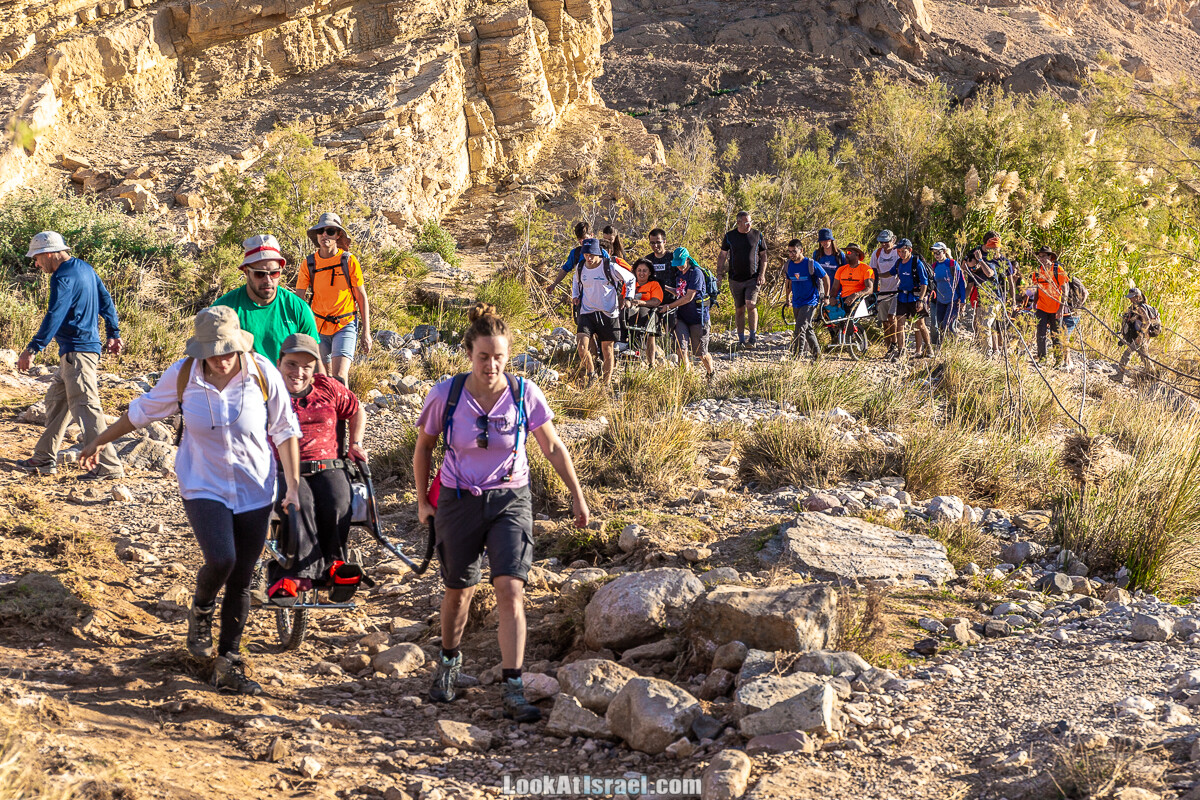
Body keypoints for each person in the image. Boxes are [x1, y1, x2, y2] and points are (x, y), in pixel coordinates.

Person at [79, 307, 302, 695]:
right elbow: (143, 412)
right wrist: (99, 440)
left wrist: (294, 486)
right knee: (222, 559)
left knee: (242, 578)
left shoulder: (262, 372)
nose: (221, 357)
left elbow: (284, 428)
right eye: (212, 351)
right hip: (203, 483)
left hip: (255, 487)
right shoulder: (184, 374)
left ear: (239, 344)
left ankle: (228, 660)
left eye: (227, 349)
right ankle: (200, 610)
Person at [413, 303, 589, 722]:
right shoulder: (446, 394)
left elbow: (553, 447)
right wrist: (423, 501)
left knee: (511, 589)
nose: (491, 365)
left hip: (511, 499)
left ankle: (513, 685)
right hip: (458, 501)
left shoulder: (525, 393)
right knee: (459, 590)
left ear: (508, 356)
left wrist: (578, 498)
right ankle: (449, 665)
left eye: (499, 357)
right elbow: (423, 448)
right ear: (469, 354)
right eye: (483, 357)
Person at [265, 333, 368, 603]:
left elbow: (357, 410)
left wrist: (356, 443)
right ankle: (294, 574)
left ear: (314, 368)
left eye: (306, 366)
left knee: (337, 499)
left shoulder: (328, 388)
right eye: (291, 364)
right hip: (282, 467)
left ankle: (334, 566)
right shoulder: (266, 392)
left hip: (327, 464)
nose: (298, 372)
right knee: (300, 502)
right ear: (279, 362)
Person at [16, 231, 125, 479]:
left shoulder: (62, 277)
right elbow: (106, 300)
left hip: (78, 353)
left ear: (50, 253)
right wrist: (113, 332)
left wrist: (33, 348)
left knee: (87, 409)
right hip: (76, 352)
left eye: (37, 258)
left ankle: (109, 467)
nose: (35, 263)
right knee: (56, 402)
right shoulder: (85, 268)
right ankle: (43, 459)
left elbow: (55, 313)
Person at [215, 234, 319, 363]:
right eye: (260, 274)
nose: (268, 280)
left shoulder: (298, 308)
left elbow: (313, 358)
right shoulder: (223, 309)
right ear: (246, 272)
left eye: (274, 273)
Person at [295, 213, 372, 385]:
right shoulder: (309, 263)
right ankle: (329, 412)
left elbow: (361, 297)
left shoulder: (348, 261)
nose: (324, 235)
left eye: (330, 231)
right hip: (318, 326)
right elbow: (298, 299)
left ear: (338, 235)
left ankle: (344, 411)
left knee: (339, 376)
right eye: (321, 231)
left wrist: (366, 332)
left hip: (345, 324)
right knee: (322, 379)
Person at [571, 239, 635, 388]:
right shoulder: (580, 267)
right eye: (586, 254)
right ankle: (591, 373)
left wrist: (628, 298)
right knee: (582, 347)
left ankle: (605, 384)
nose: (589, 258)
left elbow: (631, 279)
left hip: (608, 313)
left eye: (592, 254)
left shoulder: (609, 267)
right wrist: (575, 295)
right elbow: (576, 282)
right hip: (587, 312)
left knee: (607, 350)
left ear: (599, 253)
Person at [716, 211, 768, 347]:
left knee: (750, 304)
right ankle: (740, 340)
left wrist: (762, 274)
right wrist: (719, 274)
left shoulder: (757, 235)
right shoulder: (730, 236)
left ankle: (752, 337)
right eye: (746, 222)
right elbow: (722, 255)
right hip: (735, 278)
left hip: (753, 278)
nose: (749, 225)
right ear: (738, 223)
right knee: (739, 308)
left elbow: (764, 256)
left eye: (750, 222)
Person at [662, 247, 714, 379]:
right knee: (681, 348)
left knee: (700, 353)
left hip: (698, 317)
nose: (678, 266)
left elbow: (688, 297)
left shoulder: (696, 273)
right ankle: (684, 377)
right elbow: (680, 292)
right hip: (682, 317)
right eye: (676, 263)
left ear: (687, 259)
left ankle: (710, 372)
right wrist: (665, 288)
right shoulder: (679, 274)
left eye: (681, 262)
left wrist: (669, 306)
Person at [784, 239, 829, 361]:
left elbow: (826, 278)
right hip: (797, 301)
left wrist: (826, 297)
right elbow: (788, 282)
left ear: (801, 250)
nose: (791, 254)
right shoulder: (788, 265)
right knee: (807, 328)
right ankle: (818, 356)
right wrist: (788, 298)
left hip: (810, 301)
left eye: (794, 251)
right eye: (789, 252)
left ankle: (797, 356)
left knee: (800, 328)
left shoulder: (811, 264)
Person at [545, 222, 611, 295]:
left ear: (591, 235)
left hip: (602, 296)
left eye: (585, 238)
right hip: (583, 297)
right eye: (580, 239)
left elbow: (611, 272)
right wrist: (554, 284)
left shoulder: (602, 253)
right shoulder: (576, 253)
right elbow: (565, 269)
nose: (582, 241)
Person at [1031, 246, 1069, 366]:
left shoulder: (1058, 270)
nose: (1041, 258)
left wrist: (1061, 308)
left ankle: (1058, 362)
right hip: (1041, 307)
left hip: (1056, 308)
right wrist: (1034, 303)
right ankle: (1042, 359)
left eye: (1043, 256)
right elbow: (1037, 289)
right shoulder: (1037, 272)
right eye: (1040, 256)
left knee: (1055, 335)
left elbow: (1065, 290)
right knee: (1040, 334)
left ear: (1050, 257)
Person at [893, 239, 932, 359]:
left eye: (903, 251)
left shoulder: (917, 263)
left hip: (915, 298)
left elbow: (924, 283)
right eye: (899, 251)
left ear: (910, 250)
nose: (901, 254)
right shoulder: (899, 263)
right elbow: (889, 273)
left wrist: (920, 300)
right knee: (900, 324)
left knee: (920, 324)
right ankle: (901, 350)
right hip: (902, 297)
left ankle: (929, 348)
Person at [964, 249, 1005, 357]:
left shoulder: (988, 266)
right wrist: (963, 300)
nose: (972, 270)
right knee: (979, 326)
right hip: (982, 302)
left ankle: (988, 353)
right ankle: (984, 349)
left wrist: (981, 260)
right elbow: (969, 287)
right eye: (970, 268)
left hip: (994, 301)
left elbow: (989, 273)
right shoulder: (971, 272)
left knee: (986, 325)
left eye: (974, 267)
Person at [870, 230, 902, 360]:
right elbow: (873, 272)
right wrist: (874, 291)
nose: (884, 245)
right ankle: (888, 348)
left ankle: (895, 344)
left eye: (886, 242)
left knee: (892, 317)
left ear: (893, 240)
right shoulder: (877, 253)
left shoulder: (898, 252)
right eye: (881, 242)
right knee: (884, 322)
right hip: (882, 291)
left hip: (896, 290)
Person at [627, 259, 663, 366]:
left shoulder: (654, 284)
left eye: (644, 271)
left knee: (643, 316)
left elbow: (656, 301)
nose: (641, 273)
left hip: (648, 310)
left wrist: (640, 302)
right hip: (629, 310)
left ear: (649, 272)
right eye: (639, 270)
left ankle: (650, 362)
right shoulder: (630, 284)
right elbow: (622, 297)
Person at [1116, 287, 1157, 383]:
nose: (1130, 299)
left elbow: (1147, 322)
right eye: (1130, 297)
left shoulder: (1140, 308)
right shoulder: (1135, 307)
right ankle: (1154, 376)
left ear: (1138, 297)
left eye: (1132, 297)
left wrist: (1141, 335)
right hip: (1141, 337)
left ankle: (1120, 375)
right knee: (1144, 357)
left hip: (1141, 337)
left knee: (1127, 354)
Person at [930, 243, 966, 346]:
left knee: (948, 325)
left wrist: (963, 300)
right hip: (940, 300)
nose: (936, 255)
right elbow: (933, 285)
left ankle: (954, 346)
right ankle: (943, 346)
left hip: (953, 300)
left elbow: (961, 283)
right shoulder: (934, 266)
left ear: (944, 252)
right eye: (934, 253)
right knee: (941, 325)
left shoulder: (952, 264)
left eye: (938, 252)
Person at [831, 243, 875, 314]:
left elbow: (870, 289)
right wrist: (832, 297)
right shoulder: (841, 269)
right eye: (845, 252)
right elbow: (834, 288)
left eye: (848, 252)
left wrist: (856, 295)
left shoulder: (866, 269)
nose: (846, 255)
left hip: (860, 301)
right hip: (843, 300)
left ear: (857, 254)